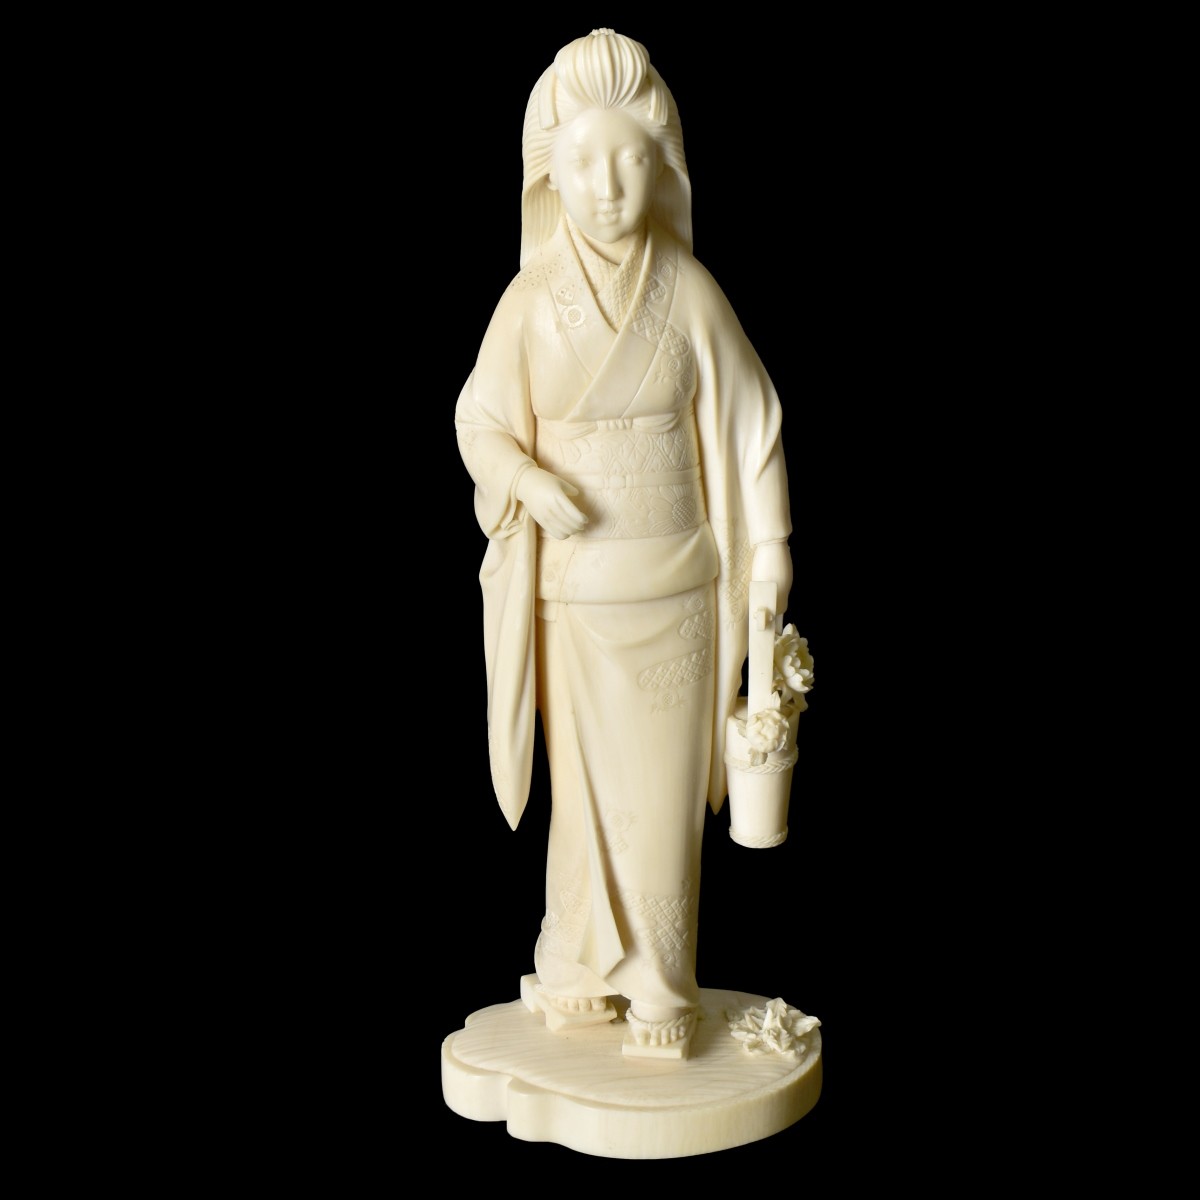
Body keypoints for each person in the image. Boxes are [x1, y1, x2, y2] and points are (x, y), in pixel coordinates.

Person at [455, 29, 792, 1058]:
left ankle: (660, 988)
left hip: (675, 592)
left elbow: (752, 419)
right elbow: (479, 420)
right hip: (574, 599)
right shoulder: (529, 304)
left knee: (658, 798)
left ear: (664, 166)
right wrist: (525, 480)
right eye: (585, 162)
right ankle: (577, 972)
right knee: (587, 805)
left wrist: (773, 545)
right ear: (550, 173)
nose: (606, 187)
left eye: (630, 160)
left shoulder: (686, 290)